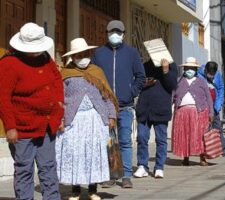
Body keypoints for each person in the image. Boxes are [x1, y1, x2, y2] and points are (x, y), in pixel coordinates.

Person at [0, 23, 63, 200]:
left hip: (47, 125)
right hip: (22, 129)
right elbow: (3, 98)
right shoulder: (8, 64)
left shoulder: (45, 58)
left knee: (48, 168)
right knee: (24, 169)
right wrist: (10, 127)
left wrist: (58, 111)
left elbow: (57, 82)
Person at [56, 38, 118, 200]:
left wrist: (111, 115)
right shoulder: (65, 73)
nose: (83, 57)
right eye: (79, 55)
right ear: (73, 56)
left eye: (85, 54)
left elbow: (107, 96)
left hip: (95, 119)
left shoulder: (97, 71)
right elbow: (59, 98)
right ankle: (75, 190)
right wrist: (60, 119)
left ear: (89, 54)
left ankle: (92, 190)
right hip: (73, 121)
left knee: (94, 153)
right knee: (76, 153)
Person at [91, 20, 145, 188]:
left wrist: (131, 92)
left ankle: (126, 175)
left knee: (125, 141)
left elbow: (140, 76)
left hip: (125, 106)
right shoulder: (99, 53)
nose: (115, 34)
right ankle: (109, 175)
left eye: (118, 32)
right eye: (112, 31)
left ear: (123, 34)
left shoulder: (132, 53)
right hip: (104, 106)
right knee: (107, 142)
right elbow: (92, 77)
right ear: (107, 33)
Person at [133, 58, 178, 179]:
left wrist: (165, 69)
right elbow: (137, 84)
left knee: (161, 139)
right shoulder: (144, 65)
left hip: (161, 108)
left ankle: (159, 166)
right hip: (144, 108)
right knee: (142, 137)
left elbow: (172, 85)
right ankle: (142, 165)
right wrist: (145, 83)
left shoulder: (172, 65)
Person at [172, 57, 213, 166]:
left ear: (195, 69)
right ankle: (186, 157)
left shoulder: (201, 82)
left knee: (200, 136)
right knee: (185, 135)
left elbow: (208, 98)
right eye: (187, 68)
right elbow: (172, 96)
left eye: (192, 68)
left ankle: (202, 157)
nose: (189, 70)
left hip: (199, 112)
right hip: (182, 112)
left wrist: (211, 113)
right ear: (184, 68)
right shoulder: (178, 81)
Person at [198, 61, 225, 157]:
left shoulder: (218, 75)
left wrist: (218, 104)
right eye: (210, 74)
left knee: (217, 129)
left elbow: (221, 88)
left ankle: (222, 150)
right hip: (202, 106)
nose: (212, 76)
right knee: (202, 130)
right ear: (205, 70)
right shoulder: (198, 75)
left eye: (213, 74)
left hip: (214, 107)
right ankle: (202, 151)